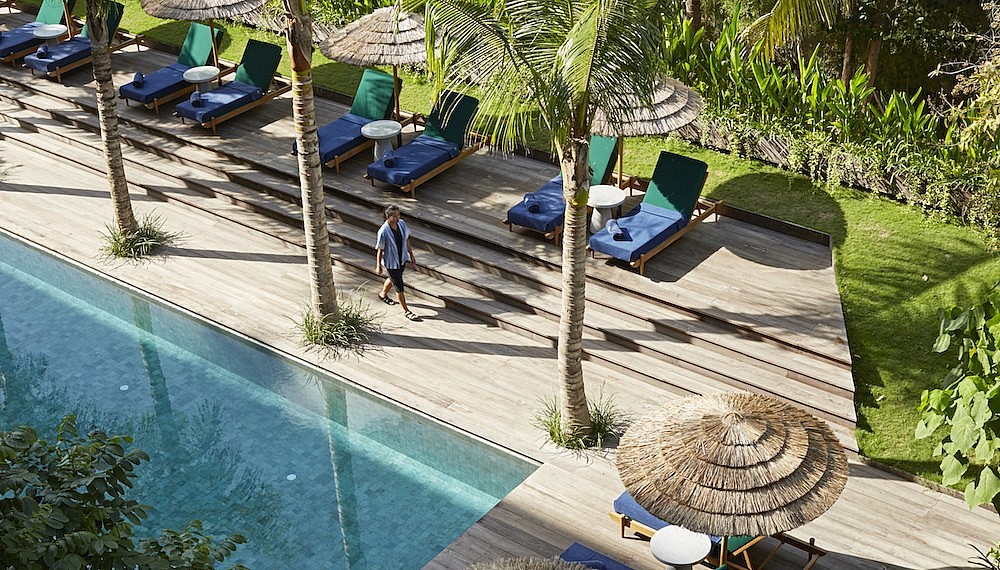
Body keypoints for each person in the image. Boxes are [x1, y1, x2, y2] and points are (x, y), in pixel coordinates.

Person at [375, 204, 419, 321]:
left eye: (398, 215)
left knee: (393, 279)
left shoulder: (402, 224)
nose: (397, 218)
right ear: (388, 217)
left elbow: (406, 239)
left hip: (402, 259)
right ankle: (406, 311)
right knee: (399, 286)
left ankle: (382, 294)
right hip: (391, 263)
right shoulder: (383, 231)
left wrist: (411, 255)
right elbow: (380, 249)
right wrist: (378, 265)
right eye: (394, 216)